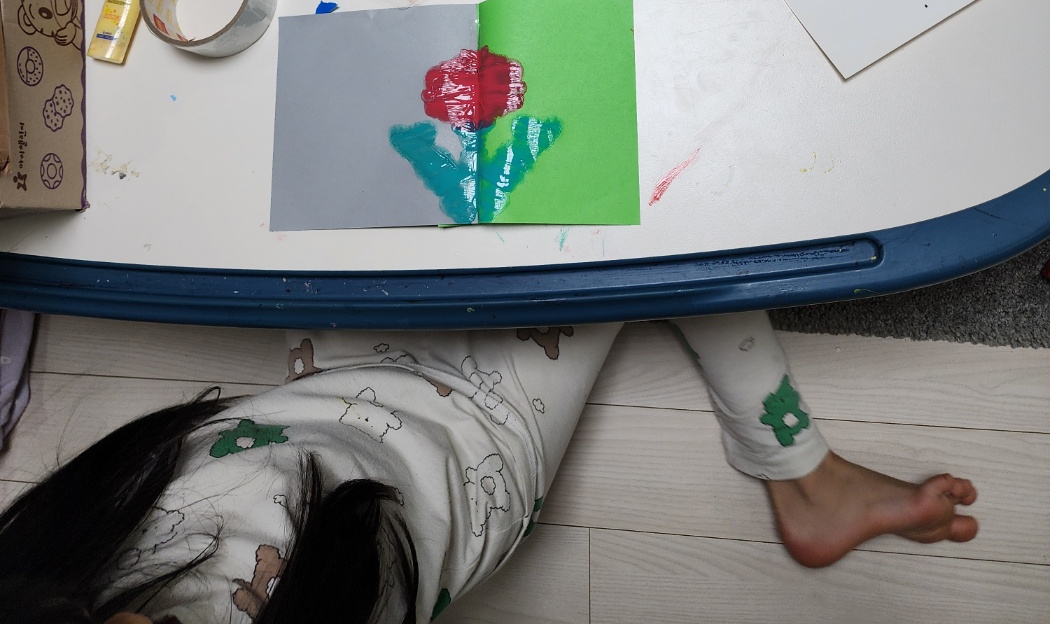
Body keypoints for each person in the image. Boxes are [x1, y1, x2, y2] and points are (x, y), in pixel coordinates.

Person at [0, 314, 978, 622]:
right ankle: (805, 474)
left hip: (325, 389)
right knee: (656, 231)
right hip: (479, 436)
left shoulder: (47, 565)